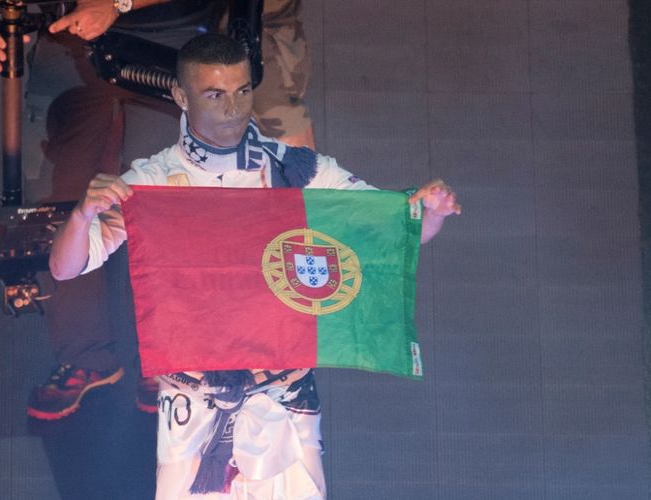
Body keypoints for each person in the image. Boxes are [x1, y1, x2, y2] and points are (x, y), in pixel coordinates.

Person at [49, 33, 459, 498]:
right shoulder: (152, 182)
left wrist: (432, 212)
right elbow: (65, 268)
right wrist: (82, 216)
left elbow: (396, 231)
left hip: (282, 403)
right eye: (215, 94)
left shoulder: (297, 171)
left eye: (242, 90)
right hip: (191, 406)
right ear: (181, 96)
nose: (233, 108)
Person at [0, 0, 315, 419]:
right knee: (63, 197)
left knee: (166, 204)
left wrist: (119, 3)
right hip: (70, 37)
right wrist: (9, 24)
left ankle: (166, 358)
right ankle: (85, 357)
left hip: (176, 36)